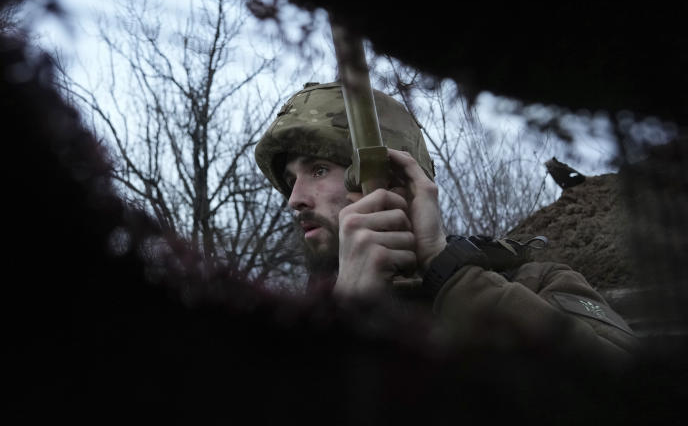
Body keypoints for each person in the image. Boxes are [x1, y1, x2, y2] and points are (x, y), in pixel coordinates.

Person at [254, 81, 638, 365]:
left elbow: (635, 396)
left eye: (318, 170)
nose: (295, 198)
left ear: (395, 178)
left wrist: (452, 274)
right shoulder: (283, 331)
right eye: (290, 181)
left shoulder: (534, 284)